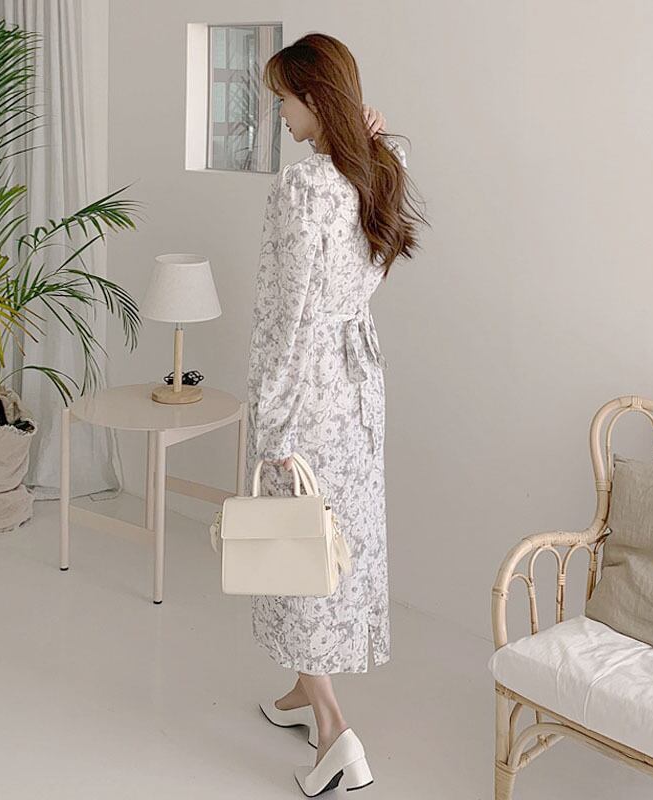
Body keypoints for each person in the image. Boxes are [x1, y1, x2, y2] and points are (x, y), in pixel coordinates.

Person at [244, 32, 428, 797]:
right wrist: (370, 128)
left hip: (309, 387)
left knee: (298, 552)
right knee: (332, 541)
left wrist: (270, 417)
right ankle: (301, 689)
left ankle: (333, 732)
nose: (279, 113)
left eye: (285, 99)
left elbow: (283, 318)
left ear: (315, 99)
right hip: (358, 386)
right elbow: (391, 149)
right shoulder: (381, 168)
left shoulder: (302, 189)